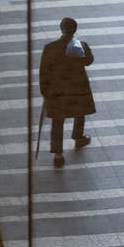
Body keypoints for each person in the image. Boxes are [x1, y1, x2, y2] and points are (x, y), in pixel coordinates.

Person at [39, 17, 95, 168]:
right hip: (77, 89)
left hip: (58, 91)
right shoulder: (80, 46)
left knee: (57, 121)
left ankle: (58, 155)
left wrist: (45, 91)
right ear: (75, 30)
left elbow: (44, 71)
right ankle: (78, 138)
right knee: (80, 113)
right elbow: (89, 60)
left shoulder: (50, 47)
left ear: (61, 29)